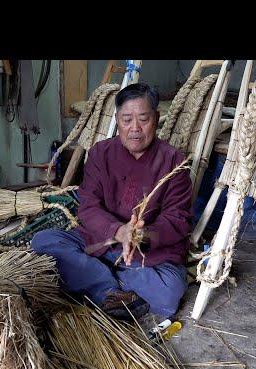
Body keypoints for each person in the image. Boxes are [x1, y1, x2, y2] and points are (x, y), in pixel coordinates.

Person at [32, 82, 192, 321]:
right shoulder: (100, 153)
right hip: (100, 241)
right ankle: (111, 291)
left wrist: (140, 235)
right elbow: (88, 206)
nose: (135, 128)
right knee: (43, 241)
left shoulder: (174, 162)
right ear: (117, 119)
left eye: (143, 119)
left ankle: (96, 282)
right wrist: (118, 230)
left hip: (145, 257)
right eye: (127, 120)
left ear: (157, 118)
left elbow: (178, 219)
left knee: (169, 291)